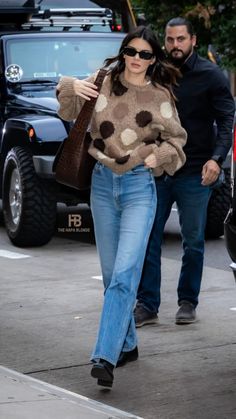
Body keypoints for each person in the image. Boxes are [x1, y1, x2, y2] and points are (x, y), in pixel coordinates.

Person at [56, 25, 187, 388]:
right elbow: (67, 108)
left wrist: (156, 157)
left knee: (126, 273)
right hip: (100, 184)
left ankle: (104, 355)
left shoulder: (160, 95)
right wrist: (71, 86)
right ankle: (127, 342)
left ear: (154, 58)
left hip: (139, 189)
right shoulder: (103, 80)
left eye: (146, 54)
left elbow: (177, 144)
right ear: (123, 50)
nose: (137, 60)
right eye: (132, 51)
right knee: (115, 277)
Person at [135, 17, 235, 327]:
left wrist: (217, 159)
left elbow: (227, 120)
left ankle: (187, 302)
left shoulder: (211, 75)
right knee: (148, 237)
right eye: (170, 39)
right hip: (158, 170)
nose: (175, 45)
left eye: (180, 39)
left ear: (192, 40)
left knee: (193, 240)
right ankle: (147, 304)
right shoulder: (156, 72)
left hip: (195, 171)